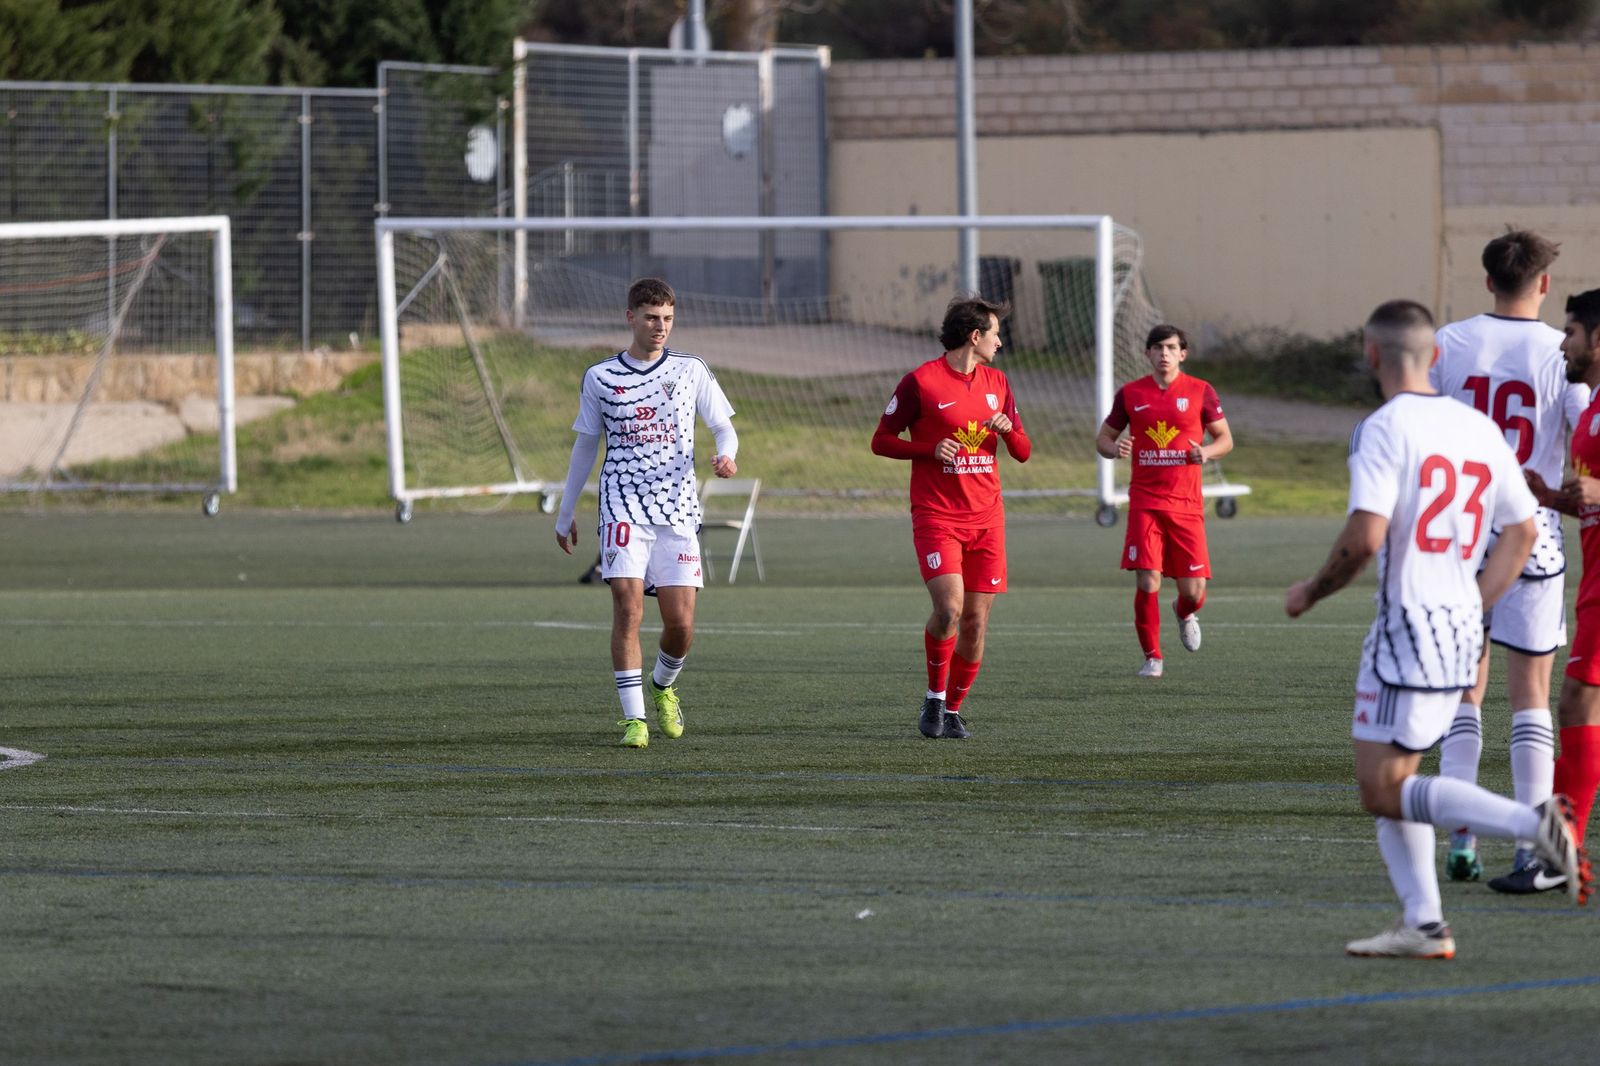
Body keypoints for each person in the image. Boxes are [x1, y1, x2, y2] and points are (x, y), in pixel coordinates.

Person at [1286, 299, 1589, 960]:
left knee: (1382, 786)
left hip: (1407, 629)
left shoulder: (1384, 427)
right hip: (1455, 624)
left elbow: (1366, 536)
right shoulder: (1477, 428)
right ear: (1435, 356)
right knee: (1396, 780)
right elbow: (1523, 527)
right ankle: (1424, 923)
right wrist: (1474, 600)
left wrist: (1311, 590)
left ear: (1372, 355)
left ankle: (1531, 823)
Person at [1428, 229, 1590, 891]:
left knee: (1463, 691)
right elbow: (1584, 437)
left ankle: (1461, 842)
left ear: (1488, 279)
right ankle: (1531, 847)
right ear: (1544, 285)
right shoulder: (1562, 350)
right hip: (1533, 534)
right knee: (1531, 698)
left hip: (1460, 536)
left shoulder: (1449, 342)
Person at [554, 277, 739, 748]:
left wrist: (726, 454)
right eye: (652, 318)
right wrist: (565, 509)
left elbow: (723, 426)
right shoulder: (600, 377)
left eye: (668, 319)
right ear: (631, 317)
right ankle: (634, 720)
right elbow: (585, 446)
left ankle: (661, 686)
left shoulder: (691, 369)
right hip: (621, 506)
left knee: (681, 625)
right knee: (628, 609)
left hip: (676, 508)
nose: (661, 327)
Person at [871, 295, 1031, 739]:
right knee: (949, 610)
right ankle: (935, 697)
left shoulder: (998, 380)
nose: (1001, 341)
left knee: (977, 621)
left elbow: (1023, 452)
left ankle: (955, 709)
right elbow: (880, 440)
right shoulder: (921, 382)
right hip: (937, 515)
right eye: (996, 333)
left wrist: (1009, 431)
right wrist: (927, 448)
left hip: (988, 519)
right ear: (974, 336)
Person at [1094, 325, 1233, 677]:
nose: (1164, 353)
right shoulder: (1130, 393)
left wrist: (1207, 452)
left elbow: (1225, 440)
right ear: (1148, 354)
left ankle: (1184, 611)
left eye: (1171, 347)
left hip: (1186, 504)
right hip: (1145, 501)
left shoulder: (1200, 391)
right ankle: (1153, 656)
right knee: (1147, 580)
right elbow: (1104, 439)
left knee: (1193, 590)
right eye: (1157, 348)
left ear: (1182, 353)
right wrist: (1115, 448)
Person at [1526, 288, 1600, 860]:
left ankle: (1559, 852)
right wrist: (1552, 495)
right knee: (1578, 703)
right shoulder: (1591, 407)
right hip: (1592, 581)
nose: (1562, 341)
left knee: (1576, 701)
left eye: (1571, 331)